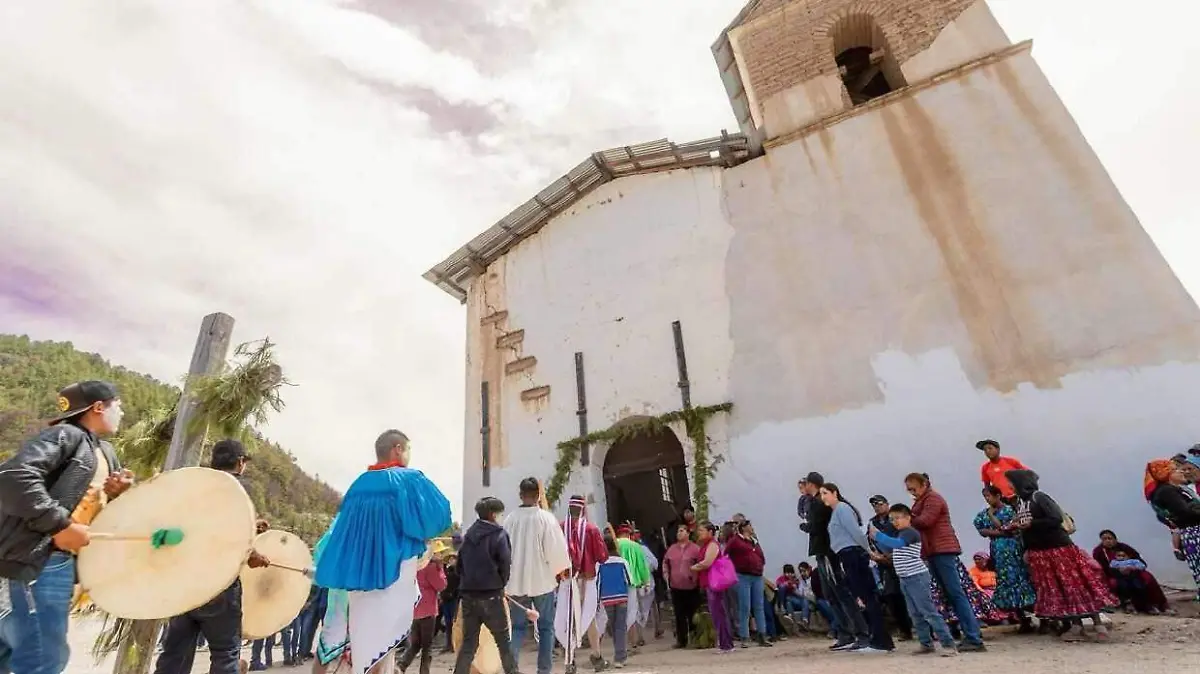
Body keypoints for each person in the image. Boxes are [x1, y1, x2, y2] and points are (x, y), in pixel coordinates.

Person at [0, 380, 134, 674]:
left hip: (48, 564)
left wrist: (114, 493)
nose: (122, 412)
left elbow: (82, 501)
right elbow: (14, 477)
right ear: (99, 407)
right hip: (40, 561)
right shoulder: (67, 434)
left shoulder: (105, 451)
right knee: (42, 661)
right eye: (118, 405)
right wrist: (59, 525)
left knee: (14, 656)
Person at [313, 430, 452, 674]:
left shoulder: (358, 485)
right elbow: (439, 515)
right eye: (407, 449)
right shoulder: (409, 479)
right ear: (397, 448)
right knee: (380, 644)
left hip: (355, 579)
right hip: (392, 574)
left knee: (359, 638)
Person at [159, 440, 270, 674]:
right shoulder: (239, 488)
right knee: (225, 656)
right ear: (240, 463)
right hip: (220, 585)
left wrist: (253, 527)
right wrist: (254, 555)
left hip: (185, 582)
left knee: (174, 654)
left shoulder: (195, 486)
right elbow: (234, 537)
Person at [1006, 469, 1115, 642]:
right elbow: (1025, 529)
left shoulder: (1038, 497)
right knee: (1061, 589)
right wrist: (1025, 544)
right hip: (1040, 553)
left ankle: (1098, 625)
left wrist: (1031, 523)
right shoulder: (1020, 503)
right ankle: (1077, 626)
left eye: (1011, 482)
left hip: (1058, 549)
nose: (1009, 486)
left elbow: (1055, 518)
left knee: (1076, 585)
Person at [905, 472, 986, 652]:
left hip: (943, 550)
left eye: (914, 488)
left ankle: (973, 637)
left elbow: (926, 521)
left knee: (956, 593)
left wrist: (906, 517)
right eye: (909, 490)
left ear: (924, 484)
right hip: (934, 551)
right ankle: (969, 635)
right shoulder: (921, 502)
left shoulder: (933, 499)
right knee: (950, 595)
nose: (912, 492)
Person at [869, 504, 957, 657]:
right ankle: (926, 643)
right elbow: (893, 547)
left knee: (928, 612)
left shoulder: (909, 532)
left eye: (897, 518)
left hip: (916, 577)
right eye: (891, 519)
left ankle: (948, 643)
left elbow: (897, 544)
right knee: (915, 613)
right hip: (905, 578)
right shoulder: (901, 534)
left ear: (908, 517)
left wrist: (878, 535)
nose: (894, 522)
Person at [502, 478, 569, 674]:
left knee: (516, 628)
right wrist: (560, 570)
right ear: (539, 495)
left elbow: (503, 552)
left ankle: (511, 669)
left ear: (520, 494)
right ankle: (544, 670)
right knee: (546, 627)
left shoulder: (509, 520)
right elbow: (556, 552)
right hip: (542, 582)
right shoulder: (546, 519)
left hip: (515, 583)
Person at [822, 484, 892, 653]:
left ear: (834, 493)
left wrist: (869, 551)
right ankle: (878, 639)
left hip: (853, 554)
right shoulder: (836, 511)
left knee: (868, 596)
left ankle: (880, 641)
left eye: (825, 493)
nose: (822, 496)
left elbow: (855, 532)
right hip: (847, 555)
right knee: (864, 596)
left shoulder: (842, 509)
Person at [800, 472, 867, 651]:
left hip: (828, 551)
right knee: (831, 595)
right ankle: (845, 633)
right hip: (822, 552)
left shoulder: (818, 504)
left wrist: (805, 525)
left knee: (841, 592)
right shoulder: (815, 503)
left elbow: (816, 526)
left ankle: (861, 633)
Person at [454, 497, 521, 674]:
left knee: (469, 644)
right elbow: (505, 564)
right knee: (503, 642)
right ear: (493, 515)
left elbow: (458, 566)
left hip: (468, 596)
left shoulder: (468, 536)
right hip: (492, 596)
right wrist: (500, 583)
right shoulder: (499, 535)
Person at [972, 485, 1036, 627]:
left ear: (998, 495)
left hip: (1013, 551)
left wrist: (992, 520)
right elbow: (982, 530)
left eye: (989, 496)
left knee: (1019, 580)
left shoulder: (1008, 511)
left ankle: (1031, 616)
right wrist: (998, 531)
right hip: (998, 552)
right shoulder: (983, 514)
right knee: (1005, 581)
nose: (987, 499)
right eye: (985, 497)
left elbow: (1007, 530)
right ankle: (1022, 619)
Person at [557, 495, 607, 674]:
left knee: (568, 618)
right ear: (583, 509)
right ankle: (596, 656)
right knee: (589, 617)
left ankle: (569, 661)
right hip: (586, 580)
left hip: (567, 580)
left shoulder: (560, 528)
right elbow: (602, 556)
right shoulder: (591, 529)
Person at [1145, 460, 1200, 596]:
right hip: (1195, 533)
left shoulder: (1174, 490)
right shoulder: (1167, 491)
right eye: (1176, 469)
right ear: (1166, 474)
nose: (1181, 471)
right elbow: (1185, 512)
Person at [866, 495, 913, 641]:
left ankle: (925, 629)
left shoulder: (895, 519)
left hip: (901, 559)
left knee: (911, 595)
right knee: (892, 596)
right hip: (884, 564)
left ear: (887, 504)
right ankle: (904, 629)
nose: (877, 507)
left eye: (880, 504)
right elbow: (870, 540)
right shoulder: (872, 523)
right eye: (874, 505)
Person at [1091, 530, 1169, 614]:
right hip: (1113, 574)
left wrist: (1133, 568)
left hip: (1133, 571)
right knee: (1117, 584)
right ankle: (1128, 605)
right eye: (1104, 539)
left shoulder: (1124, 547)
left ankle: (1159, 604)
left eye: (1109, 538)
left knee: (1147, 578)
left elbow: (1139, 561)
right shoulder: (1099, 551)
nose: (1107, 541)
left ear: (1115, 539)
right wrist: (1118, 571)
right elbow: (1101, 568)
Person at [398, 546, 448, 674]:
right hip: (428, 609)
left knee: (415, 644)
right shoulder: (431, 567)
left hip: (415, 609)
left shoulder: (414, 566)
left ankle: (401, 666)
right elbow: (441, 585)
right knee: (427, 645)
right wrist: (440, 569)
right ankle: (424, 671)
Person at [723, 520, 772, 648]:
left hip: (756, 575)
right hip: (743, 575)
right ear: (744, 528)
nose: (752, 528)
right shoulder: (735, 540)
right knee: (745, 606)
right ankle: (744, 636)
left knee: (759, 605)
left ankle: (762, 634)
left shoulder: (754, 540)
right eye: (750, 526)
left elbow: (761, 555)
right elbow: (726, 554)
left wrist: (760, 563)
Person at [689, 522, 734, 653]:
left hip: (714, 582)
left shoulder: (712, 545)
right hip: (709, 582)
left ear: (710, 532)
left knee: (718, 612)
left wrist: (694, 567)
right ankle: (725, 642)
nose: (699, 533)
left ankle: (726, 643)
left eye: (702, 530)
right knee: (716, 612)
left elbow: (708, 562)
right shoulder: (705, 545)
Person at [596, 536, 633, 669]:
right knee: (620, 626)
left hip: (607, 598)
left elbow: (598, 583)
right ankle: (620, 657)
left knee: (613, 627)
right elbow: (629, 580)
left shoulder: (599, 564)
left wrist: (598, 599)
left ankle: (619, 654)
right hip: (622, 596)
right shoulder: (622, 561)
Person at [663, 524, 701, 649]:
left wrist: (696, 578)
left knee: (693, 614)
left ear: (688, 533)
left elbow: (700, 563)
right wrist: (666, 575)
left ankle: (695, 638)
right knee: (679, 614)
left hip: (692, 587)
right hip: (676, 586)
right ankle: (681, 640)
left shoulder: (695, 548)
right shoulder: (672, 549)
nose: (679, 533)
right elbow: (665, 562)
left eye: (681, 531)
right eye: (678, 531)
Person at [614, 525, 650, 648]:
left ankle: (618, 644)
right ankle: (632, 642)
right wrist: (645, 581)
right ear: (629, 534)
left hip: (615, 582)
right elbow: (642, 565)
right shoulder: (635, 546)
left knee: (614, 613)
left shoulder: (614, 544)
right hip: (631, 583)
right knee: (631, 612)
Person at [439, 554, 460, 653]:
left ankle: (453, 643)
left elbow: (457, 583)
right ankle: (448, 644)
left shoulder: (457, 571)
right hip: (446, 599)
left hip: (454, 599)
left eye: (453, 559)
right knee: (447, 622)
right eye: (450, 559)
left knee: (453, 622)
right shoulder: (445, 570)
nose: (451, 560)